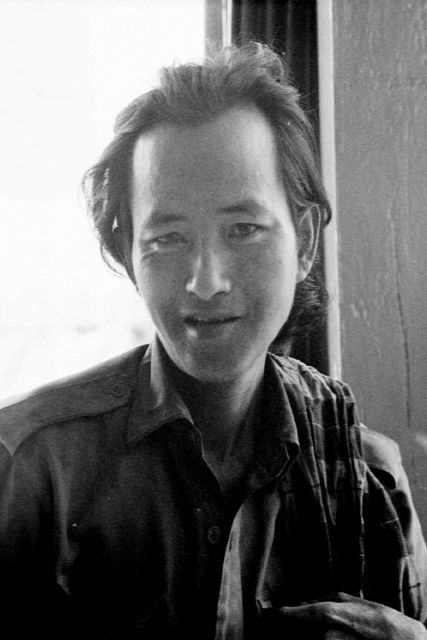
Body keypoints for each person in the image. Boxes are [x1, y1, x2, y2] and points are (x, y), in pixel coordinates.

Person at [0, 42, 426, 640]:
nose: (206, 282)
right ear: (128, 254)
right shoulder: (31, 465)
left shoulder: (367, 475)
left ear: (304, 242)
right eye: (168, 238)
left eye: (244, 229)